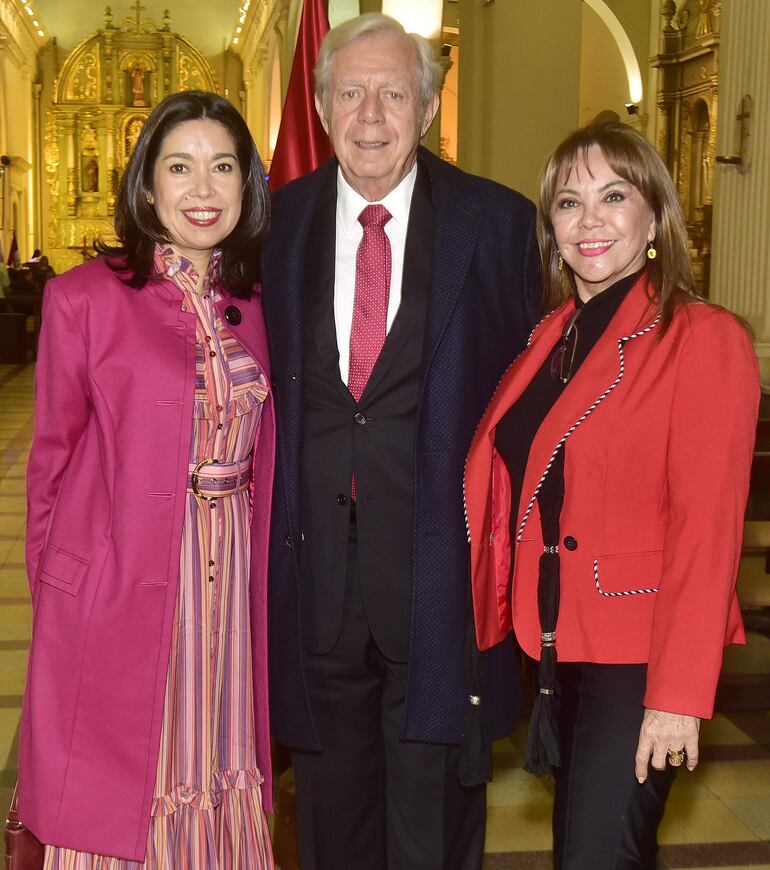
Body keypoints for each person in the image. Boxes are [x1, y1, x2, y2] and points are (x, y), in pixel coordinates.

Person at [261, 12, 540, 870]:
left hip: (437, 586)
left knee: (432, 832)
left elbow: (527, 405)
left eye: (392, 93)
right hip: (313, 584)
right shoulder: (273, 225)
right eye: (351, 93)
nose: (371, 115)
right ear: (320, 105)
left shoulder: (495, 224)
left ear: (427, 108)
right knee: (331, 827)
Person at [464, 121, 760, 868]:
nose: (589, 219)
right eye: (568, 202)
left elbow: (708, 530)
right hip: (562, 651)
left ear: (653, 215)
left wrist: (679, 695)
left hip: (640, 659)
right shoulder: (553, 335)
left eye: (613, 195)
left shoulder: (700, 337)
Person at [18, 90, 276, 868]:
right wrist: (59, 596)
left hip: (230, 576)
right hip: (120, 580)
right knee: (125, 775)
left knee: (216, 744)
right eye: (180, 166)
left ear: (246, 184)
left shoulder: (261, 303)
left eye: (222, 166)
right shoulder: (82, 300)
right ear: (147, 183)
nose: (203, 189)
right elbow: (50, 464)